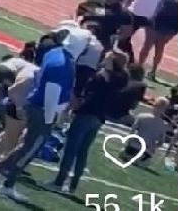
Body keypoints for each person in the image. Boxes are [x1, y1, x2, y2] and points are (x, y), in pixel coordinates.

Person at [0, 28, 85, 202]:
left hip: (38, 105)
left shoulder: (56, 53)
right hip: (43, 109)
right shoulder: (63, 63)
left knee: (27, 145)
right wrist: (51, 117)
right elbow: (52, 92)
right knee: (30, 148)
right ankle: (3, 177)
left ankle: (1, 175)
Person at [47, 50, 129, 194]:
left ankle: (59, 182)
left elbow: (87, 96)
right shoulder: (121, 80)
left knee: (71, 149)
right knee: (83, 151)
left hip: (86, 114)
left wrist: (73, 108)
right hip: (99, 118)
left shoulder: (100, 76)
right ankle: (73, 185)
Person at [140, 0, 178, 81]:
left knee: (147, 45)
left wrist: (152, 17)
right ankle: (153, 72)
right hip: (172, 25)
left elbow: (159, 4)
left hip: (159, 20)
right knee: (160, 47)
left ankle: (139, 67)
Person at [119, 98, 170, 165]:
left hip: (134, 146)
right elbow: (161, 142)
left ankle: (131, 156)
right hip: (147, 151)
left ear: (154, 105)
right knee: (145, 161)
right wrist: (153, 147)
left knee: (122, 153)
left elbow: (132, 132)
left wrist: (129, 143)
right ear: (164, 109)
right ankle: (140, 160)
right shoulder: (164, 125)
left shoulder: (142, 116)